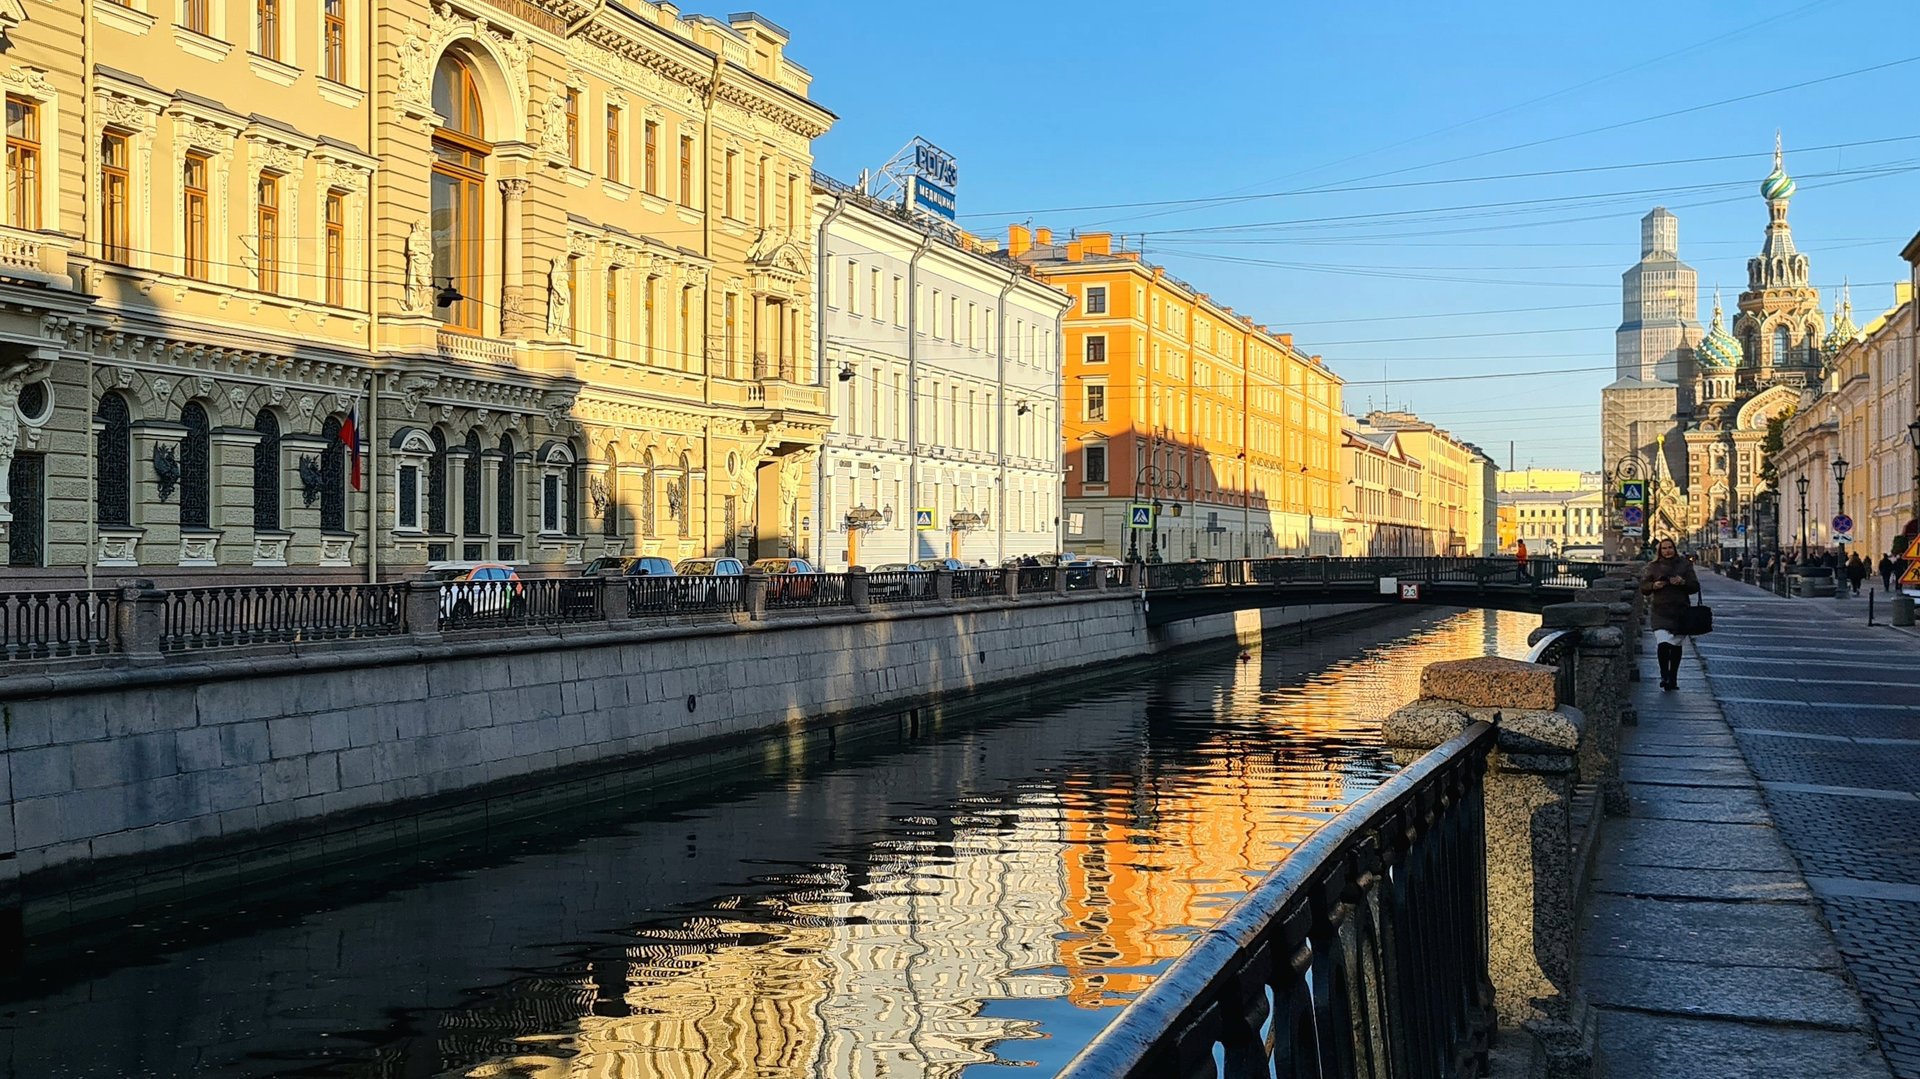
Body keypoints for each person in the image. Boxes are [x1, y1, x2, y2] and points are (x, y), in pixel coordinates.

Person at [1641, 537, 1700, 691]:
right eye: (1664, 548)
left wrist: (1682, 582)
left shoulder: (1684, 565)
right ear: (1659, 551)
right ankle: (1664, 675)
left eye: (1670, 548)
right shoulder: (1653, 567)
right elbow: (1644, 587)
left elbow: (1694, 586)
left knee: (1675, 645)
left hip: (1680, 611)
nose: (1667, 551)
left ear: (1674, 549)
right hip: (1661, 611)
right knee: (1663, 643)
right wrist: (1654, 585)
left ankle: (1673, 678)